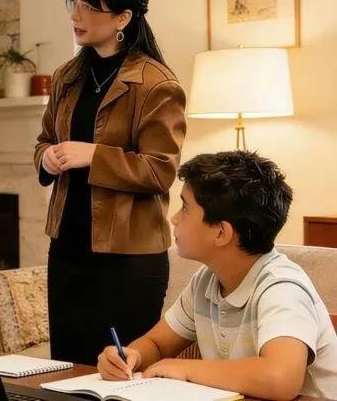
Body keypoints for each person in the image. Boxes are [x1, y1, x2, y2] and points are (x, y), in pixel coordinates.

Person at [33, 0, 187, 364]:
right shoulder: (67, 76)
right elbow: (45, 140)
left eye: (89, 7)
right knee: (65, 369)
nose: (76, 15)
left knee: (120, 371)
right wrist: (47, 158)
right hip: (67, 248)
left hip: (129, 261)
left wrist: (94, 155)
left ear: (123, 17)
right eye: (74, 2)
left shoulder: (156, 83)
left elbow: (160, 170)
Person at [97, 150, 337, 401]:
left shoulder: (282, 288)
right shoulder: (206, 280)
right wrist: (130, 356)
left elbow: (280, 378)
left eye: (185, 208)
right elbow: (156, 344)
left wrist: (186, 368)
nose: (175, 218)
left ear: (221, 233)